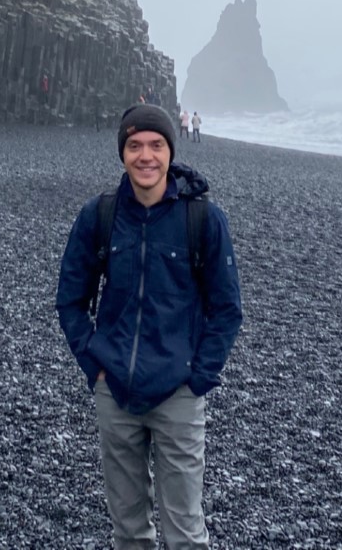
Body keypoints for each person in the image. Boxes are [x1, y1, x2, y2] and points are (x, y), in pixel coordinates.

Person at [56, 104, 242, 550]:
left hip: (178, 392)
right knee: (129, 529)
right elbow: (70, 299)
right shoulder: (98, 216)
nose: (146, 156)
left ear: (169, 151)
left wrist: (199, 375)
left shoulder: (203, 220)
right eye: (135, 145)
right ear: (122, 153)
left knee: (185, 533)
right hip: (114, 391)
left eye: (156, 145)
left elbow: (227, 308)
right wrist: (93, 363)